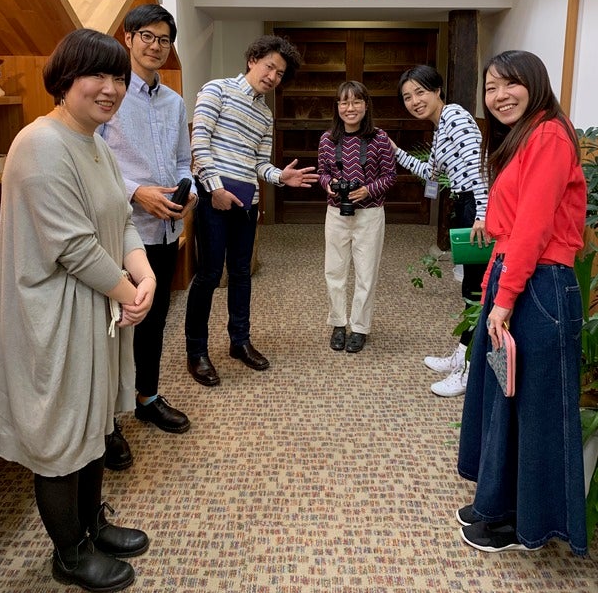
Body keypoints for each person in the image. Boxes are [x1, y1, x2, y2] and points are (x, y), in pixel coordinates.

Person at [0, 29, 157, 592]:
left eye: (119, 77)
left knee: (94, 421)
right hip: (55, 314)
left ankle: (92, 525)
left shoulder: (95, 143)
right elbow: (73, 246)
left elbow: (122, 221)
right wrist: (129, 292)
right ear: (65, 80)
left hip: (96, 302)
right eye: (98, 75)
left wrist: (144, 274)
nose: (111, 88)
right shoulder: (41, 143)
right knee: (62, 433)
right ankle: (68, 552)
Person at [457, 50, 588, 555]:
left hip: (540, 285)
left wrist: (505, 296)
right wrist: (497, 285)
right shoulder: (524, 136)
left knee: (533, 408)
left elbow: (533, 227)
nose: (499, 96)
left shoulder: (549, 134)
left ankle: (524, 523)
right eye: (490, 88)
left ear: (535, 83)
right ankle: (498, 505)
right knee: (504, 397)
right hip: (515, 275)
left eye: (510, 84)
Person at [184, 35, 319, 385]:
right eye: (269, 67)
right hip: (213, 198)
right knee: (209, 275)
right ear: (252, 60)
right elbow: (199, 144)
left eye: (280, 73)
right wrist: (215, 189)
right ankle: (196, 351)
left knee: (241, 274)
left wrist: (280, 177)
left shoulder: (264, 114)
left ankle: (239, 341)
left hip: (246, 203)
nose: (273, 77)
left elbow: (259, 163)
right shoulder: (216, 90)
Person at [99, 4, 195, 470]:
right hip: (119, 230)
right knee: (115, 324)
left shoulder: (174, 101)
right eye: (147, 36)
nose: (156, 46)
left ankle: (147, 397)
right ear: (129, 37)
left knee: (154, 320)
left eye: (164, 39)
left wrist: (187, 191)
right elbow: (91, 160)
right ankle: (106, 423)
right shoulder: (109, 95)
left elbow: (183, 160)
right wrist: (136, 191)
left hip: (165, 228)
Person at [396, 65, 488, 396]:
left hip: (475, 210)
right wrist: (395, 151)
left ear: (437, 91)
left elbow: (479, 169)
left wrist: (482, 215)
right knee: (470, 287)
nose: (414, 101)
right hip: (464, 207)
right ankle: (463, 354)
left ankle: (469, 369)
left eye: (420, 92)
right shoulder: (441, 126)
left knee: (477, 289)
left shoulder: (456, 117)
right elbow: (431, 173)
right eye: (408, 97)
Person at [318, 81, 396, 353]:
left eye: (356, 102)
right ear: (337, 106)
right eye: (344, 102)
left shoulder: (380, 138)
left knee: (366, 273)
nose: (350, 108)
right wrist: (328, 184)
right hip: (336, 213)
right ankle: (338, 324)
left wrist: (367, 190)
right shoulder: (327, 139)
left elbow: (390, 176)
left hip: (370, 215)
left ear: (366, 105)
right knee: (334, 271)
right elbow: (323, 172)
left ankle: (360, 327)